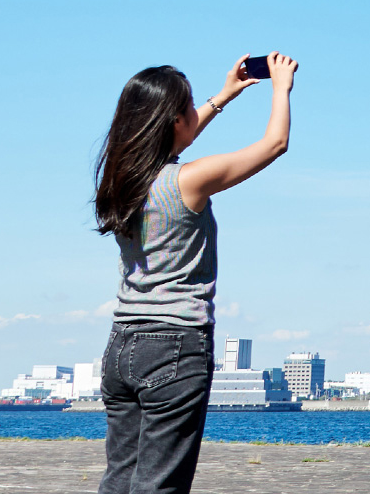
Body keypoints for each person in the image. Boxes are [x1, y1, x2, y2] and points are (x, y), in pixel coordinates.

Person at [89, 53, 298, 494]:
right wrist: (281, 86)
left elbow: (172, 139)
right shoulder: (189, 180)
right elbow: (274, 145)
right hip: (174, 346)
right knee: (159, 485)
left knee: (120, 478)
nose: (191, 114)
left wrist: (224, 95)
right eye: (187, 107)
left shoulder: (119, 176)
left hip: (122, 345)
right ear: (173, 120)